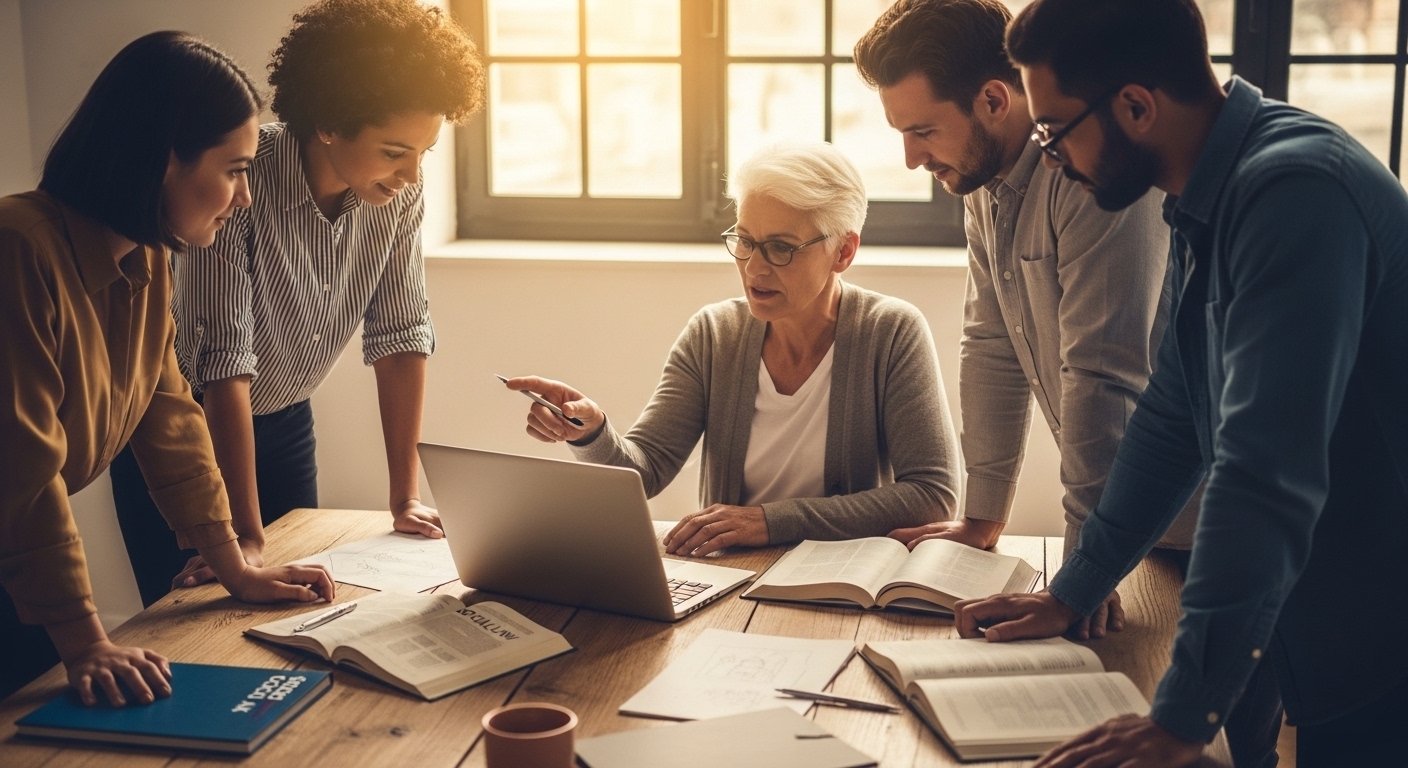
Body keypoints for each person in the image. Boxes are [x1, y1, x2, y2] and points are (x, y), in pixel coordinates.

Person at [956, 0, 1408, 765]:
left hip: (1381, 625)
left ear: (1136, 105)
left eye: (1054, 131)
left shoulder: (1294, 192)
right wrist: (1077, 586)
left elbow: (1262, 474)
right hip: (1337, 616)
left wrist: (1181, 715)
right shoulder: (1207, 191)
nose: (1049, 157)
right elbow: (1171, 414)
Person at [110, 0, 486, 606]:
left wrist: (404, 496)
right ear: (331, 123)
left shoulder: (396, 197)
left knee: (300, 608)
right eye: (395, 152)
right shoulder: (242, 178)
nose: (413, 173)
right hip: (189, 430)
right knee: (190, 623)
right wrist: (246, 542)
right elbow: (222, 363)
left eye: (424, 153)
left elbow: (401, 335)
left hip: (285, 421)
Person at [0, 31, 335, 706]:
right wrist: (87, 638)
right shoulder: (18, 249)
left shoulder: (150, 254)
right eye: (235, 170)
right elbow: (22, 469)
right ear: (161, 161)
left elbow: (170, 415)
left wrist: (234, 564)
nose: (244, 197)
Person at [852, 0, 1199, 639]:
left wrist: (1079, 579)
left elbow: (1102, 379)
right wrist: (982, 515)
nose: (909, 159)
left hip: (1208, 518)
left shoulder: (1098, 175)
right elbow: (991, 345)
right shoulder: (980, 182)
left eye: (923, 131)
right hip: (1139, 532)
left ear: (992, 100)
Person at [505, 142, 961, 556]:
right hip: (730, 575)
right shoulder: (713, 334)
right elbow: (646, 469)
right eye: (744, 241)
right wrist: (590, 432)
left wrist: (767, 522)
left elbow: (932, 494)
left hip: (842, 577)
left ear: (843, 252)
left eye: (780, 247)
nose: (754, 268)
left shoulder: (891, 332)